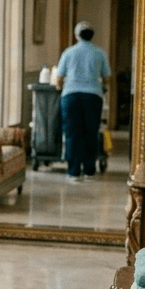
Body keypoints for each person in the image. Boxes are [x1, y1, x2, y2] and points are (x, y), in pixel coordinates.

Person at [53, 20, 110, 182]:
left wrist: (60, 86)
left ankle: (74, 172)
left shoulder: (68, 53)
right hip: (93, 97)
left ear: (76, 35)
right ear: (92, 35)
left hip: (71, 97)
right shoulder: (100, 53)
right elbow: (107, 78)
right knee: (91, 133)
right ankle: (89, 170)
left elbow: (59, 78)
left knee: (72, 134)